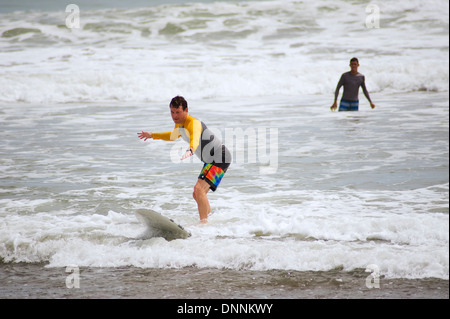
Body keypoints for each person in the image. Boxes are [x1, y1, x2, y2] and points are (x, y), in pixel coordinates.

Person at [137, 96, 231, 224]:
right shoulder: (179, 124)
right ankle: (209, 220)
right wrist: (152, 135)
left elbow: (195, 137)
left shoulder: (193, 123)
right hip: (211, 160)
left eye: (178, 112)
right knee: (197, 194)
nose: (174, 116)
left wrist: (191, 149)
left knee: (199, 190)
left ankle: (204, 224)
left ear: (186, 110)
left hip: (220, 157)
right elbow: (172, 136)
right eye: (172, 112)